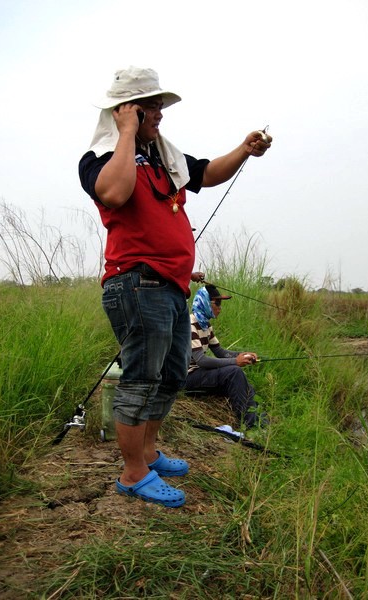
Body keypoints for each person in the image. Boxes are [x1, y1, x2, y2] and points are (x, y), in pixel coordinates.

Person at [78, 65, 272, 508]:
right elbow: (114, 193)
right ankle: (132, 474)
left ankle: (148, 453)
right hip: (136, 285)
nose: (160, 114)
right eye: (150, 107)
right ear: (125, 111)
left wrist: (244, 149)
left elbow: (205, 174)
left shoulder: (165, 156)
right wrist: (126, 132)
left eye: (160, 106)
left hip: (170, 287)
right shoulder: (103, 156)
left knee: (169, 378)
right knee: (141, 380)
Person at [185, 284, 266, 429]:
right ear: (205, 303)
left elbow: (220, 352)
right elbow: (201, 360)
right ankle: (251, 425)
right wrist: (235, 361)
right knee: (234, 372)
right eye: (218, 303)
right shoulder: (189, 324)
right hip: (186, 378)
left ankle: (262, 422)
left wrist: (244, 355)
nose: (220, 308)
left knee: (244, 384)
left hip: (198, 373)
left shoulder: (205, 325)